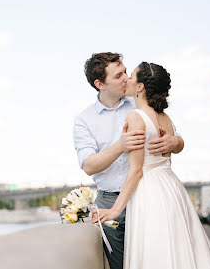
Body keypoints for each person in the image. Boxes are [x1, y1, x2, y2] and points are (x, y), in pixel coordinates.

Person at [92, 62, 210, 268]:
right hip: (171, 187)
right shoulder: (165, 117)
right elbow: (171, 148)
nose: (128, 79)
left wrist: (115, 210)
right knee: (179, 247)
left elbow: (135, 171)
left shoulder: (136, 117)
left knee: (156, 250)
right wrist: (177, 141)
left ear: (141, 87)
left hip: (149, 191)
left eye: (132, 76)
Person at [73, 53, 184, 269]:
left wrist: (175, 142)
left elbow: (175, 140)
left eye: (126, 72)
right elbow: (88, 165)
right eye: (118, 75)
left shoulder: (140, 105)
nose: (126, 77)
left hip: (146, 197)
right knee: (120, 264)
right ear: (100, 83)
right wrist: (120, 146)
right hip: (109, 201)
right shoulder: (84, 120)